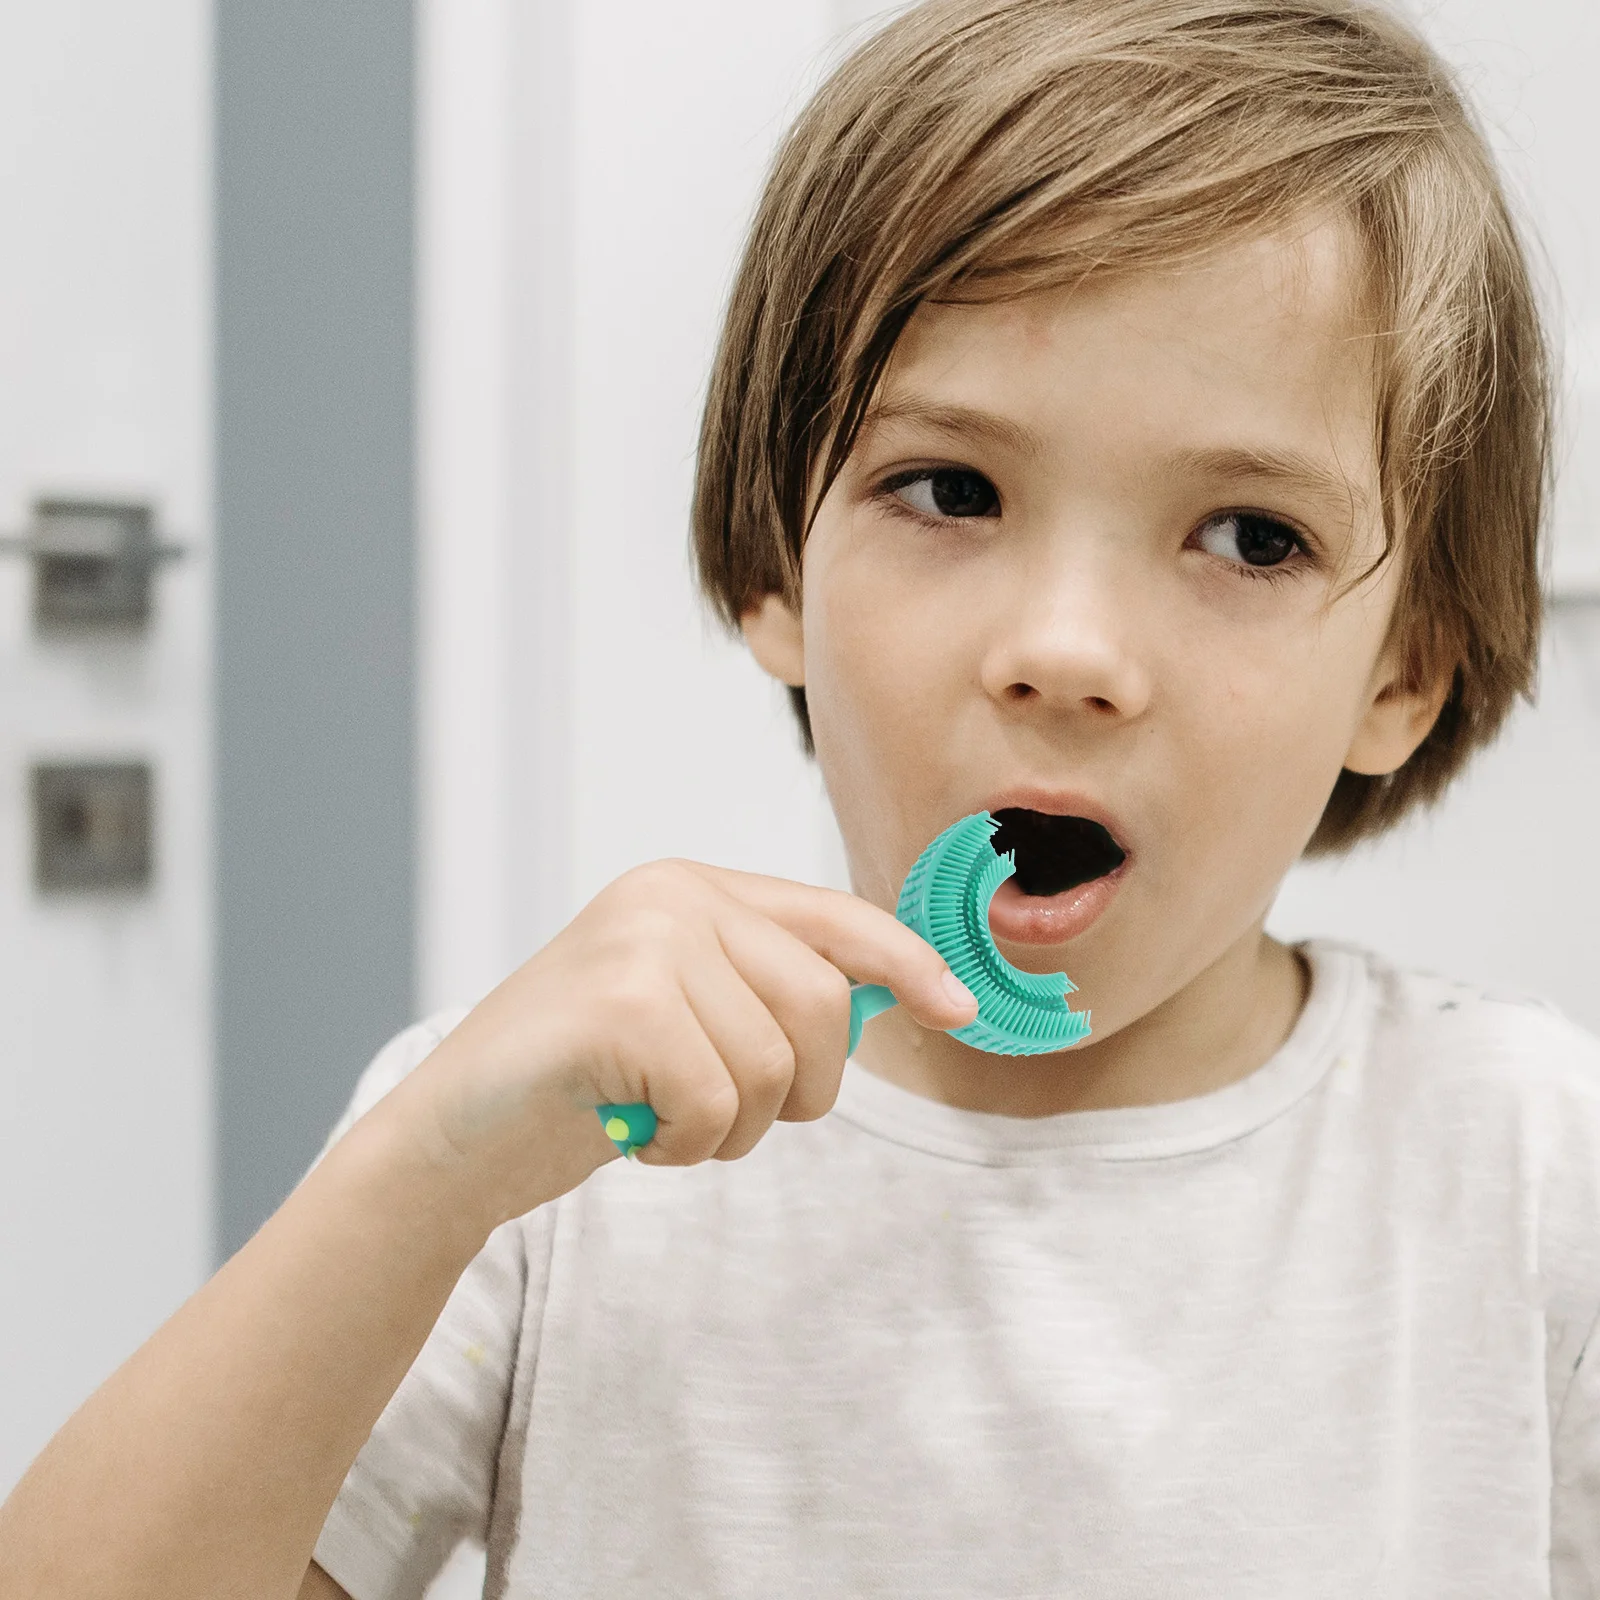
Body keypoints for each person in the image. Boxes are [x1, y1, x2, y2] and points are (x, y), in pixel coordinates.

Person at [4, 0, 1597, 1594]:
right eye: (951, 490)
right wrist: (420, 1173)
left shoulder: (1531, 1166)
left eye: (1251, 536)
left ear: (1406, 672)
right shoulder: (559, 1165)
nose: (1066, 652)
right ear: (778, 562)